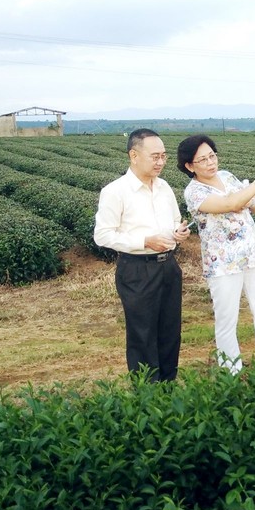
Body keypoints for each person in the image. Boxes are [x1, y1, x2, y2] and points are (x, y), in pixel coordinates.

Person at [176, 134, 255, 374]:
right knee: (227, 319)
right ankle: (231, 370)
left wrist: (243, 198)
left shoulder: (227, 176)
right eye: (202, 160)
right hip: (222, 263)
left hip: (252, 254)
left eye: (212, 156)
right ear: (189, 166)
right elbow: (230, 204)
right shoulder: (194, 192)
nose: (210, 163)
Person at [94, 128, 190, 381]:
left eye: (164, 156)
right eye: (155, 156)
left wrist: (178, 232)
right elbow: (102, 235)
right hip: (137, 269)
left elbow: (173, 220)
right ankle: (147, 395)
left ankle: (168, 388)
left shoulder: (164, 187)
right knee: (143, 334)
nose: (160, 162)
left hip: (168, 266)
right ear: (134, 155)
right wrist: (144, 241)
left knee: (170, 331)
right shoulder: (115, 191)